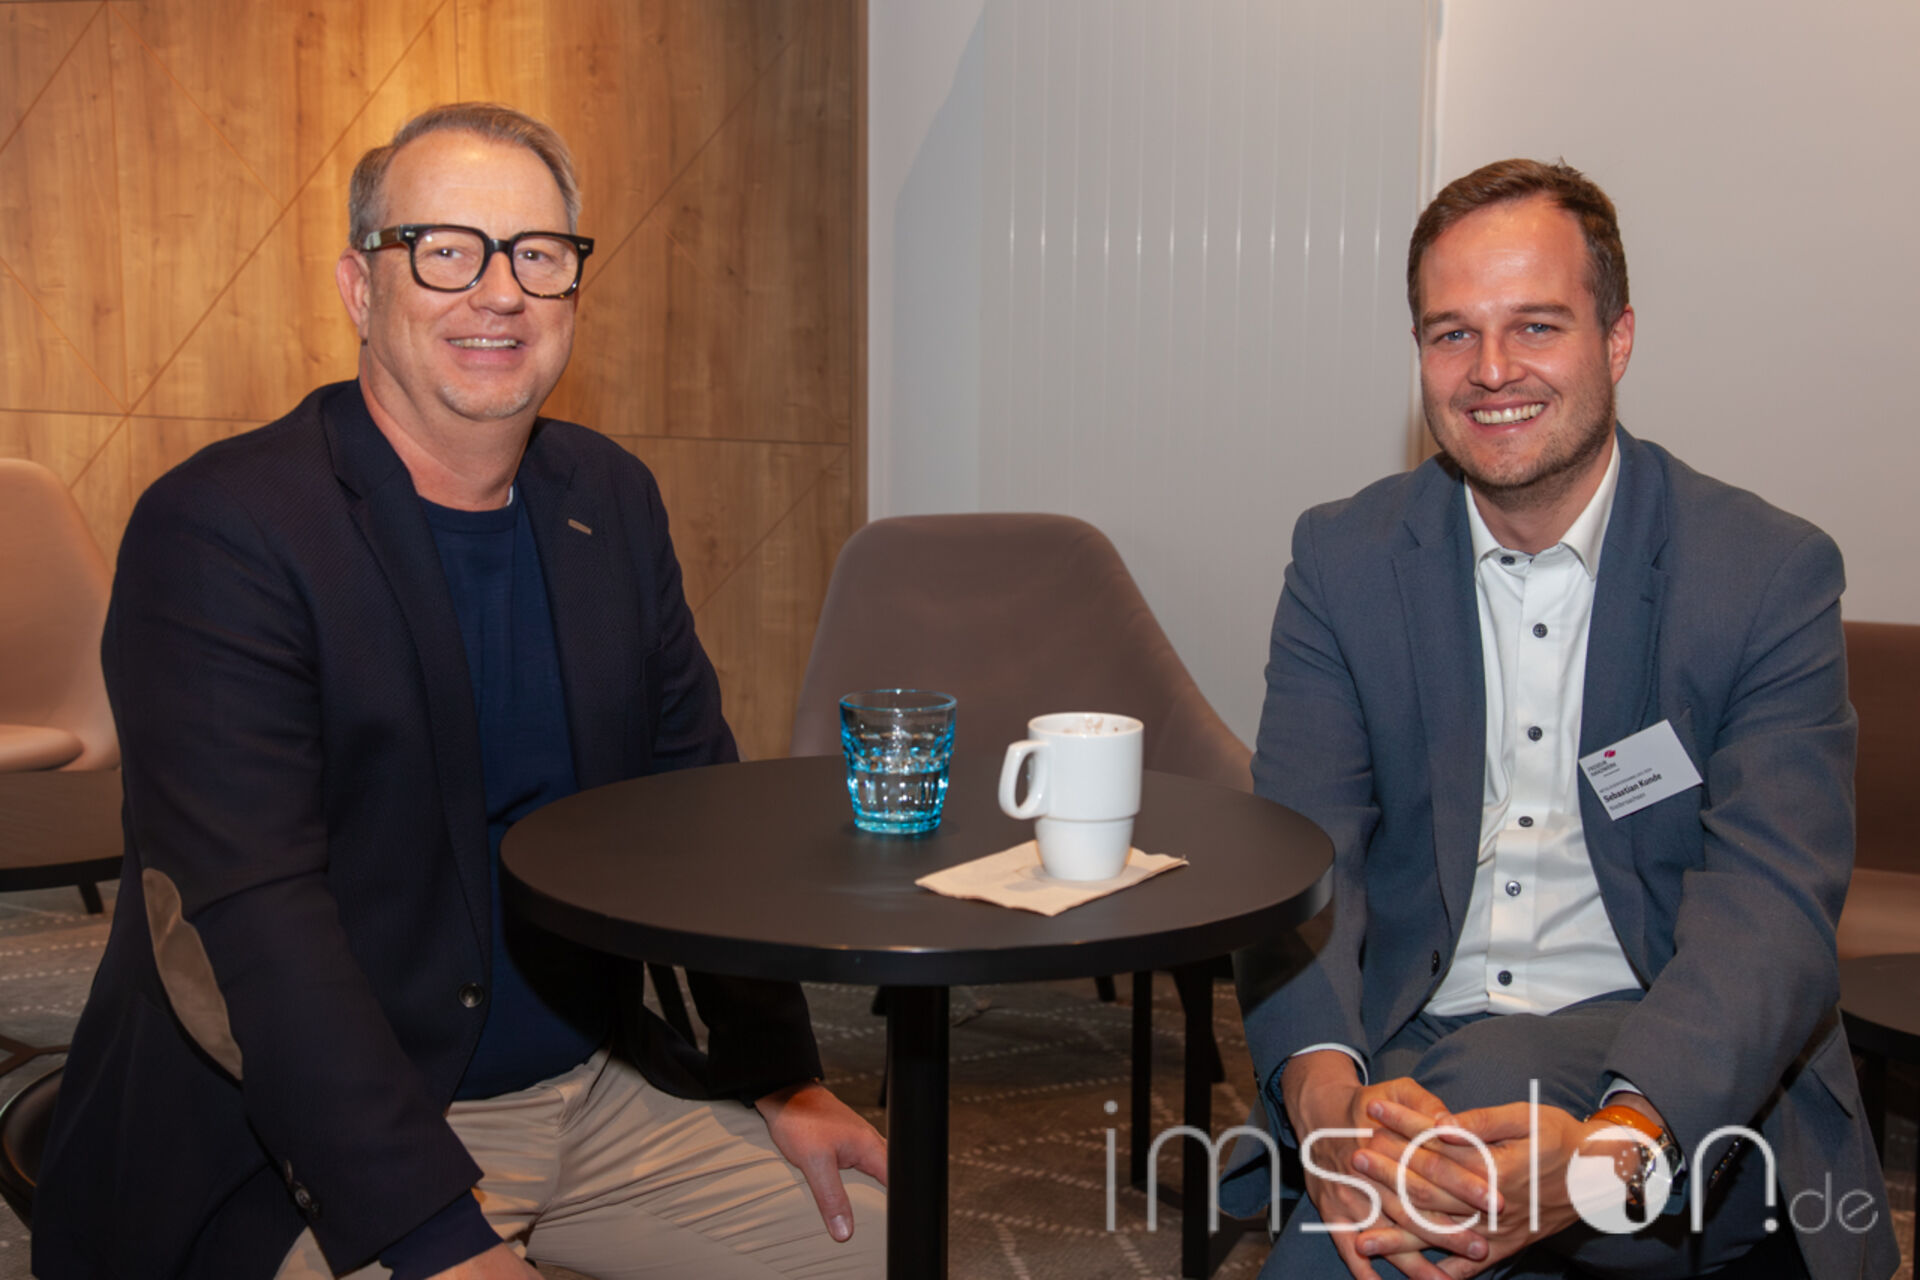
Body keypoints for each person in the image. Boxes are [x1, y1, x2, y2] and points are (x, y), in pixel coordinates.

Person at [34, 103, 886, 1280]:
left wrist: (782, 1075)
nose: (500, 293)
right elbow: (252, 920)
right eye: (445, 250)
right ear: (359, 287)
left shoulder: (610, 498)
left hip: (595, 1087)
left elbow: (695, 806)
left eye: (538, 254)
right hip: (318, 1132)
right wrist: (431, 1231)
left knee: (888, 1242)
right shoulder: (223, 530)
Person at [1227, 159, 1898, 1280]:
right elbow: (1304, 854)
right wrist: (1327, 1101)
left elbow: (1772, 905)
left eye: (1536, 325)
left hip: (1675, 1061)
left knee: (1390, 1204)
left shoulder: (1761, 573)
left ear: (1617, 339)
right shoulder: (1344, 562)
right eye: (1452, 333)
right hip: (1405, 1050)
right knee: (1414, 1171)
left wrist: (1614, 1152)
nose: (1492, 370)